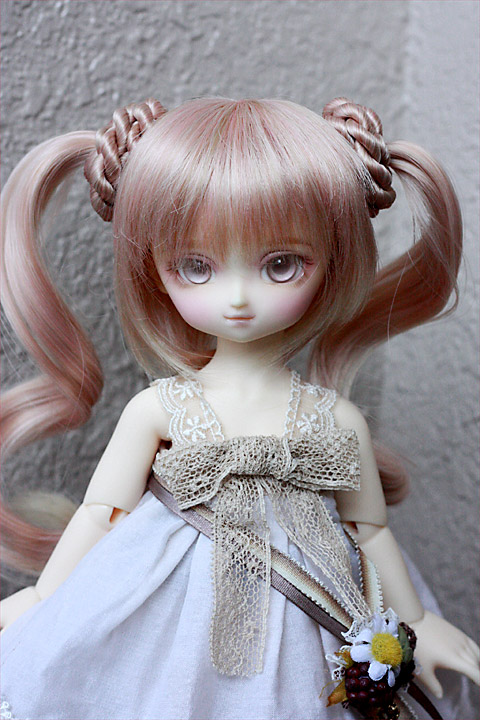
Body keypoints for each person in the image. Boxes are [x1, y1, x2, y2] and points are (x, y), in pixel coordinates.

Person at [0, 96, 478, 720]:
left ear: (333, 261)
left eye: (281, 264)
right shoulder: (160, 408)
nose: (238, 299)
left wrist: (417, 623)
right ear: (153, 268)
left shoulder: (335, 420)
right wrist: (44, 598)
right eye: (195, 267)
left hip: (314, 613)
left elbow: (370, 531)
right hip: (172, 607)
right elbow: (101, 515)